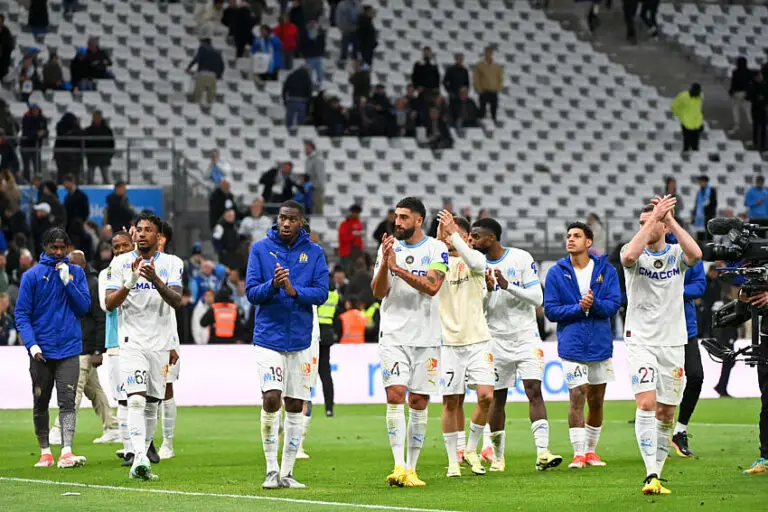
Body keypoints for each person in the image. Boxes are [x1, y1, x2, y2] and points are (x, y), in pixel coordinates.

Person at [620, 196, 702, 494]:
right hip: (640, 340)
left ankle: (657, 474)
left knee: (667, 412)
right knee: (646, 404)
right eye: (642, 222)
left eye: (651, 221)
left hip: (673, 341)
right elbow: (628, 257)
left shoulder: (676, 254)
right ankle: (650, 473)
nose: (645, 226)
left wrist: (669, 220)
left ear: (665, 227)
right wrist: (654, 218)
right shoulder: (632, 252)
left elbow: (696, 254)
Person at [245, 200, 329, 489]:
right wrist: (273, 285)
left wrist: (294, 291)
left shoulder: (314, 253)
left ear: (301, 222)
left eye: (292, 219)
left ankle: (288, 472)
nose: (285, 223)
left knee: (295, 403)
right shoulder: (260, 249)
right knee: (271, 397)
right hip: (268, 337)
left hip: (301, 339)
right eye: (282, 218)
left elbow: (322, 293)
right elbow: (251, 293)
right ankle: (271, 469)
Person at [469, 217, 562, 472]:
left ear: (491, 238)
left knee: (534, 390)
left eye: (476, 236)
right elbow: (477, 308)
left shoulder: (520, 258)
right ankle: (498, 457)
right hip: (494, 339)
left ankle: (542, 452)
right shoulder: (475, 266)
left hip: (525, 337)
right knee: (497, 398)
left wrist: (507, 286)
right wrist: (489, 290)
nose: (472, 241)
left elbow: (537, 298)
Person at [371, 196, 448, 487]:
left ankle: (412, 469)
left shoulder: (437, 249)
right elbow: (378, 292)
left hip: (427, 336)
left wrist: (398, 269)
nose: (398, 222)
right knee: (395, 395)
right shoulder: (389, 247)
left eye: (404, 217)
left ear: (419, 220)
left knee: (418, 400)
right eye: (396, 216)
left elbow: (432, 286)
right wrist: (385, 264)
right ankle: (398, 465)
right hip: (393, 334)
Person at [105, 213, 184, 481]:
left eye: (147, 230)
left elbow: (177, 301)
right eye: (138, 229)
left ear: (158, 236)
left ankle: (143, 455)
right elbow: (109, 304)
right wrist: (130, 280)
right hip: (131, 342)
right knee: (136, 399)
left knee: (152, 403)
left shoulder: (172, 263)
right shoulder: (120, 263)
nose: (141, 234)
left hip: (160, 343)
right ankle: (139, 457)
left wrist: (155, 279)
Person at [543, 222, 621, 469]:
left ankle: (590, 451)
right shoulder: (556, 273)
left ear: (588, 242)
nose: (570, 239)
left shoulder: (606, 270)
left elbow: (614, 304)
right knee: (577, 395)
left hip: (600, 344)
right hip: (572, 344)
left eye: (576, 236)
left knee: (596, 400)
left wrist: (594, 304)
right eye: (568, 236)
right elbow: (551, 310)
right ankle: (578, 453)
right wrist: (579, 307)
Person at [15, 228, 91, 468]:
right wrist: (32, 345)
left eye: (62, 248)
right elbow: (22, 314)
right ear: (45, 247)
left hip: (69, 348)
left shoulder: (76, 273)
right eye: (53, 248)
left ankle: (66, 451)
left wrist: (68, 282)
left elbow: (84, 307)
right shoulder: (31, 276)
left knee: (68, 402)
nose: (58, 252)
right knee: (41, 401)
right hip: (41, 351)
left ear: (68, 248)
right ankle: (45, 452)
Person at [434, 211, 494, 478]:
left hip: (479, 340)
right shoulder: (437, 265)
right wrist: (440, 237)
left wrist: (453, 235)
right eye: (447, 234)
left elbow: (475, 260)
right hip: (448, 343)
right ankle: (453, 460)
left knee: (486, 396)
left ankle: (470, 449)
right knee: (451, 401)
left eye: (454, 234)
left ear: (467, 237)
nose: (449, 238)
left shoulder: (476, 261)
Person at [48, 250, 119, 446]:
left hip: (85, 347)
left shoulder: (93, 284)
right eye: (68, 263)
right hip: (74, 345)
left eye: (74, 264)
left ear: (84, 265)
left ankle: (61, 429)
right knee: (94, 390)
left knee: (73, 389)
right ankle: (113, 427)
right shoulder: (68, 283)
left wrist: (98, 350)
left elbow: (100, 318)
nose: (70, 267)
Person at [99, 230, 135, 465]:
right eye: (116, 247)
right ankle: (129, 449)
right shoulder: (107, 274)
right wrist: (128, 283)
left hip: (141, 341)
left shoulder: (144, 269)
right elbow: (106, 306)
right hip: (116, 343)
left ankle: (143, 446)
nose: (121, 250)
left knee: (141, 399)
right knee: (123, 398)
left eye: (125, 245)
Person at [670, 245, 705, 458]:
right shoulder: (644, 248)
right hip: (655, 330)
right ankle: (656, 435)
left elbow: (699, 285)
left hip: (685, 328)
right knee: (660, 383)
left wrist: (672, 291)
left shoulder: (686, 248)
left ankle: (680, 430)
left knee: (696, 376)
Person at [157, 221, 181, 461]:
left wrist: (172, 342)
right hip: (138, 337)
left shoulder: (173, 264)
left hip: (166, 334)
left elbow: (176, 302)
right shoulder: (134, 261)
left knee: (166, 387)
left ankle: (168, 442)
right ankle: (141, 443)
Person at [317, 285, 339, 416]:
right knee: (325, 373)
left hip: (314, 331)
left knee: (306, 371)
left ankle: (303, 407)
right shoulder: (335, 295)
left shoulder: (318, 292)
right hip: (327, 333)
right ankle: (329, 408)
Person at [186, 38, 225, 105]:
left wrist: (188, 68)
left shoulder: (202, 49)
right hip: (213, 76)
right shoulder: (217, 52)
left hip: (202, 74)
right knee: (210, 99)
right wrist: (219, 75)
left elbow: (196, 59)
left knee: (198, 96)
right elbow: (222, 66)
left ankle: (196, 107)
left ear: (204, 43)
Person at [84, 110, 115, 184]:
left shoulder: (107, 130)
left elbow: (111, 143)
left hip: (104, 156)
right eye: (95, 117)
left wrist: (110, 154)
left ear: (101, 117)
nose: (96, 118)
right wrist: (87, 153)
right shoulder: (88, 130)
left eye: (98, 117)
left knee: (106, 178)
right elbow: (85, 143)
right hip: (92, 156)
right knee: (90, 179)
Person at [473, 47, 503, 125]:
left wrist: (499, 88)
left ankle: (494, 123)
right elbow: (476, 78)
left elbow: (500, 78)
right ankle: (481, 124)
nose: (488, 54)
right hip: (484, 91)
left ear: (492, 54)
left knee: (494, 109)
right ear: (484, 53)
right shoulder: (479, 65)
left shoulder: (496, 66)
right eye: (487, 52)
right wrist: (479, 89)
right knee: (482, 110)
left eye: (490, 53)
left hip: (493, 91)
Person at [671, 83, 704, 152]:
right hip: (686, 124)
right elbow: (674, 106)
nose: (698, 93)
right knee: (687, 143)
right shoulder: (683, 97)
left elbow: (699, 108)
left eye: (698, 92)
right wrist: (680, 115)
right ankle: (686, 153)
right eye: (696, 92)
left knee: (695, 145)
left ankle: (694, 154)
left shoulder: (700, 96)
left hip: (697, 124)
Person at [728, 56, 753, 134]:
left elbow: (733, 83)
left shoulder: (735, 72)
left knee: (735, 109)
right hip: (746, 94)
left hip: (737, 93)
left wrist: (731, 91)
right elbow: (751, 84)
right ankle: (753, 125)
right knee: (748, 110)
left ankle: (737, 125)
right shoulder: (749, 72)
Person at [338, 204, 364, 270]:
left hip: (356, 253)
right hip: (346, 252)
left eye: (358, 213)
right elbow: (343, 238)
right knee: (346, 270)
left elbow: (359, 240)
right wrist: (354, 236)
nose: (357, 214)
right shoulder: (345, 224)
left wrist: (360, 253)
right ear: (352, 213)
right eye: (355, 212)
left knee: (356, 271)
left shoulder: (359, 223)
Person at [692, 175, 717, 243]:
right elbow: (697, 205)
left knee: (709, 235)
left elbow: (714, 203)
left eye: (701, 181)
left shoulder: (711, 190)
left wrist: (710, 215)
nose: (700, 183)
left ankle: (709, 248)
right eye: (699, 181)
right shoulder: (699, 192)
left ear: (705, 181)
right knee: (700, 235)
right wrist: (694, 215)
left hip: (708, 216)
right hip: (699, 217)